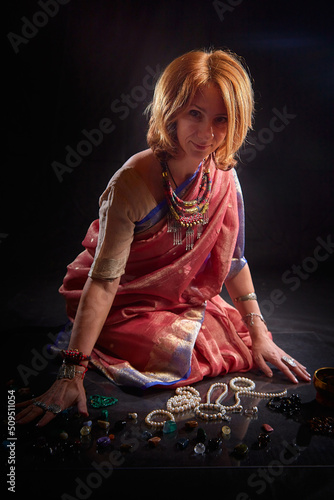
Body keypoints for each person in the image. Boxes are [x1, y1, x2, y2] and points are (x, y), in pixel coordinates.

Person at [16, 48, 311, 426]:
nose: (207, 134)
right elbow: (105, 283)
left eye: (221, 119)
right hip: (122, 301)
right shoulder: (131, 184)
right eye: (195, 114)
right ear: (170, 108)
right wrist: (71, 374)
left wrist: (260, 333)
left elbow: (234, 261)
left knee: (238, 337)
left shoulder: (221, 176)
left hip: (177, 299)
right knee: (198, 349)